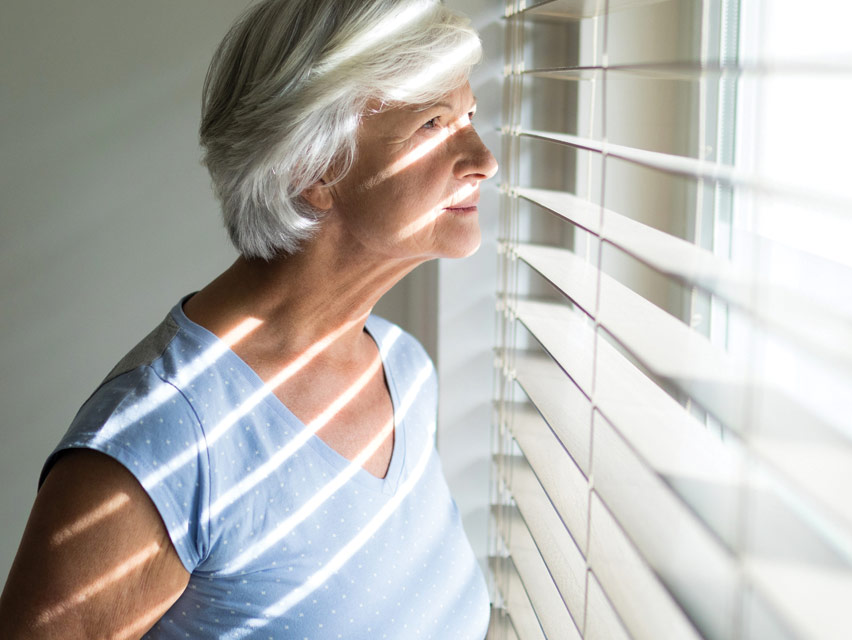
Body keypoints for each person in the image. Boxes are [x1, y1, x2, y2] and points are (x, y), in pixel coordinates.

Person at [0, 0, 497, 637]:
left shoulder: (404, 369)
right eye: (433, 123)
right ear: (313, 167)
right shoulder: (164, 440)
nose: (484, 158)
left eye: (469, 117)